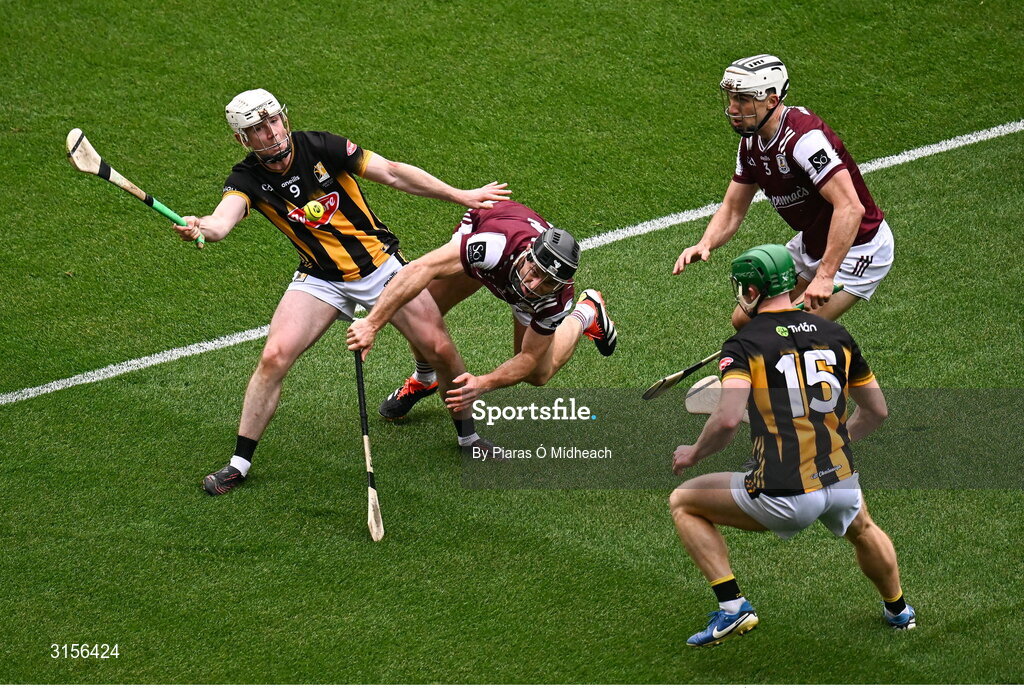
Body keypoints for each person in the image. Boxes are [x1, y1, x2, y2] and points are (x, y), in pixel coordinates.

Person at [172, 89, 510, 495]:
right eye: (258, 129)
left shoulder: (321, 146)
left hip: (380, 268)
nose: (271, 132)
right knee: (274, 356)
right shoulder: (246, 179)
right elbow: (221, 224)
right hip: (320, 279)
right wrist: (199, 226)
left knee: (439, 347)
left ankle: (468, 437)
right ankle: (239, 463)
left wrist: (460, 195)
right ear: (243, 139)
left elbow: (394, 172)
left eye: (274, 120)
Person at [668, 245, 915, 647]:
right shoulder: (837, 334)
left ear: (751, 291)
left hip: (785, 493)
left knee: (684, 501)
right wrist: (832, 441)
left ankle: (733, 609)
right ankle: (898, 609)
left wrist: (693, 453)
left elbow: (728, 418)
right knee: (864, 529)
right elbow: (877, 411)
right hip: (839, 477)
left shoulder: (744, 345)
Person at [673, 55, 895, 329]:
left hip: (858, 248)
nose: (733, 108)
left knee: (787, 333)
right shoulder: (750, 144)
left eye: (742, 99)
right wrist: (705, 243)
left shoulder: (804, 140)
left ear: (772, 100)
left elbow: (851, 208)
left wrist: (825, 276)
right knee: (744, 320)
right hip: (812, 243)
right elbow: (732, 209)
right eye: (731, 98)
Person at [345, 200, 617, 418]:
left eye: (547, 282)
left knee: (539, 375)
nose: (532, 285)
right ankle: (425, 378)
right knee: (424, 307)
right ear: (528, 255)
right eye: (534, 271)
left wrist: (483, 383)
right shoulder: (492, 246)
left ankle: (587, 312)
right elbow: (420, 268)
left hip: (514, 280)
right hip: (490, 244)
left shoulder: (554, 299)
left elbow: (529, 357)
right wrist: (372, 323)